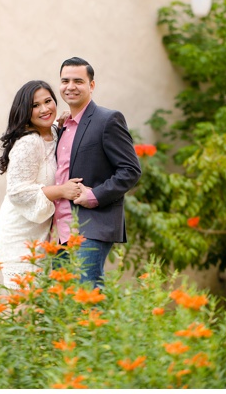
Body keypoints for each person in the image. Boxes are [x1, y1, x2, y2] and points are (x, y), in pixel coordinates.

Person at [54, 57, 141, 288]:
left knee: (87, 294)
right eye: (65, 80)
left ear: (91, 85)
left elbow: (130, 170)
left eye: (78, 81)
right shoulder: (63, 126)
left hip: (92, 223)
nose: (70, 86)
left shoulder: (108, 119)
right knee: (60, 300)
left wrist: (93, 196)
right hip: (60, 228)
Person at [0, 80, 83, 289]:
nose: (44, 109)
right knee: (24, 302)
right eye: (35, 105)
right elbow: (17, 192)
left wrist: (63, 122)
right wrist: (62, 190)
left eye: (48, 101)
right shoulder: (29, 142)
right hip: (19, 232)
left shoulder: (52, 132)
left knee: (39, 303)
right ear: (25, 111)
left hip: (42, 232)